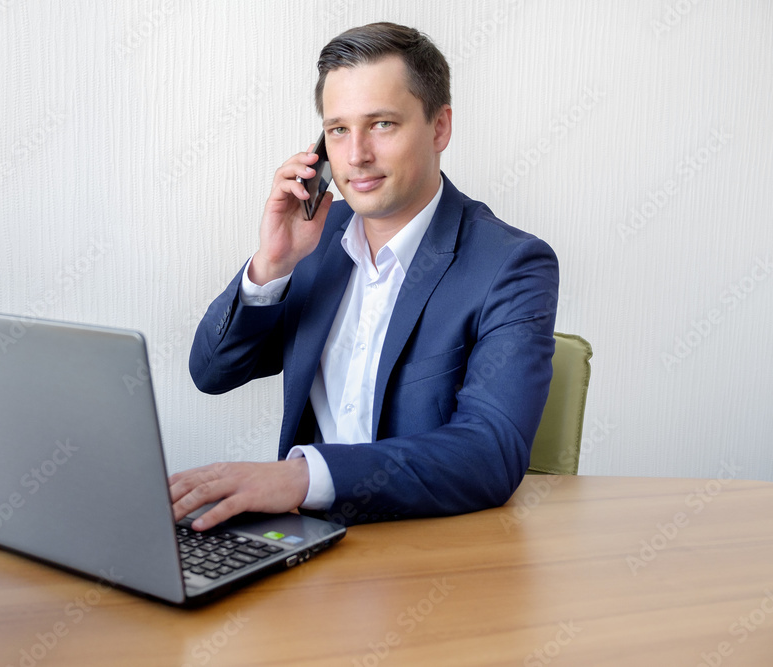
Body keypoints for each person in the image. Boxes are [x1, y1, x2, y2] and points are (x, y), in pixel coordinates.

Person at [169, 22, 558, 531]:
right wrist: (272, 264)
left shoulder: (510, 264)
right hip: (305, 542)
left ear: (439, 128)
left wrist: (302, 478)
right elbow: (212, 373)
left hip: (423, 553)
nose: (355, 157)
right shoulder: (313, 240)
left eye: (381, 124)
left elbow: (489, 453)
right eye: (337, 130)